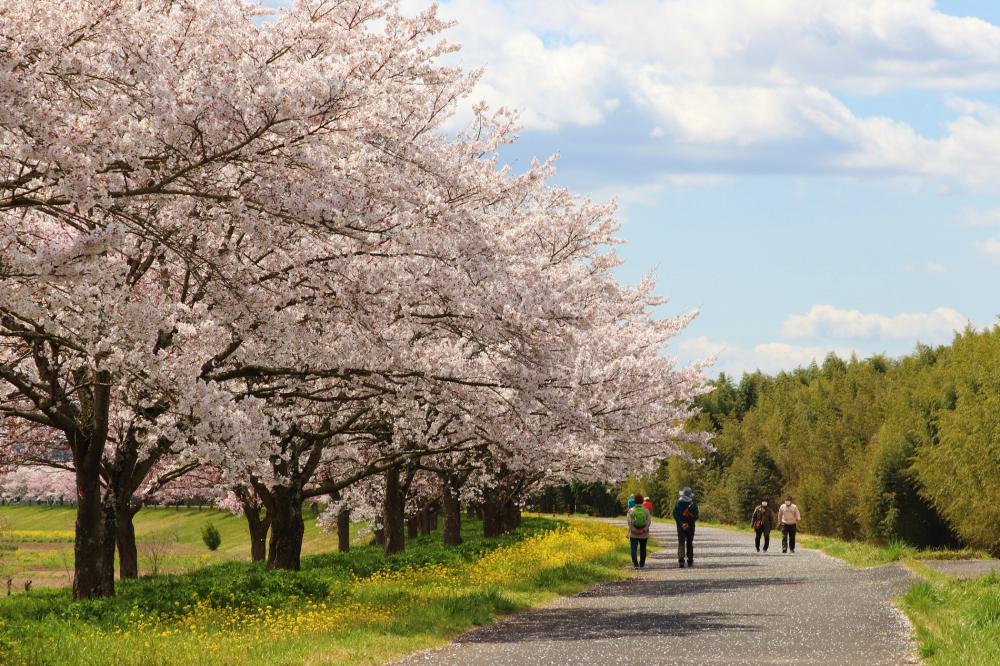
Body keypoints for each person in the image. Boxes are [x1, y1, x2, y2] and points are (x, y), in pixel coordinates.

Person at [672, 487, 699, 568]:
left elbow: (675, 515)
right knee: (689, 543)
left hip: (680, 528)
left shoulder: (678, 503)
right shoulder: (694, 505)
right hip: (690, 528)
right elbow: (696, 516)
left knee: (681, 543)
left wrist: (681, 524)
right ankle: (690, 561)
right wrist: (689, 524)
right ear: (690, 495)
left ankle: (681, 561)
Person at [626, 492, 651, 569]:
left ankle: (636, 564)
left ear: (635, 501)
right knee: (643, 548)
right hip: (644, 534)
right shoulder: (646, 510)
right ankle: (642, 564)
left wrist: (634, 530)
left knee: (633, 549)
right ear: (642, 501)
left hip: (634, 534)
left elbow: (629, 522)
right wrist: (644, 530)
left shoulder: (631, 510)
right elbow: (649, 521)